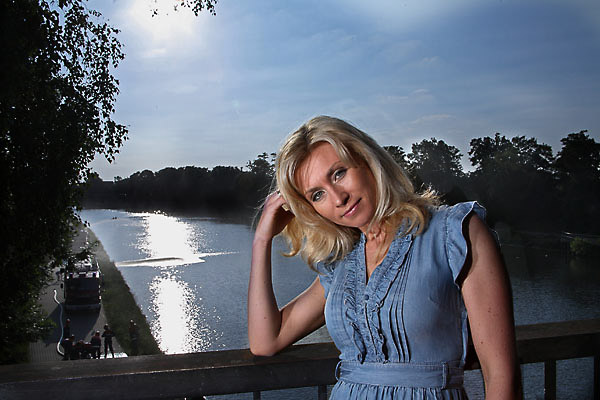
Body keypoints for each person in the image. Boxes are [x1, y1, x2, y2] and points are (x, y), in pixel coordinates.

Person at [248, 116, 522, 399]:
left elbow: (502, 377)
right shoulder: (340, 264)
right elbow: (266, 341)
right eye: (318, 194)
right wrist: (261, 240)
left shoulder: (454, 232)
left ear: (367, 160)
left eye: (339, 174)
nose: (338, 198)